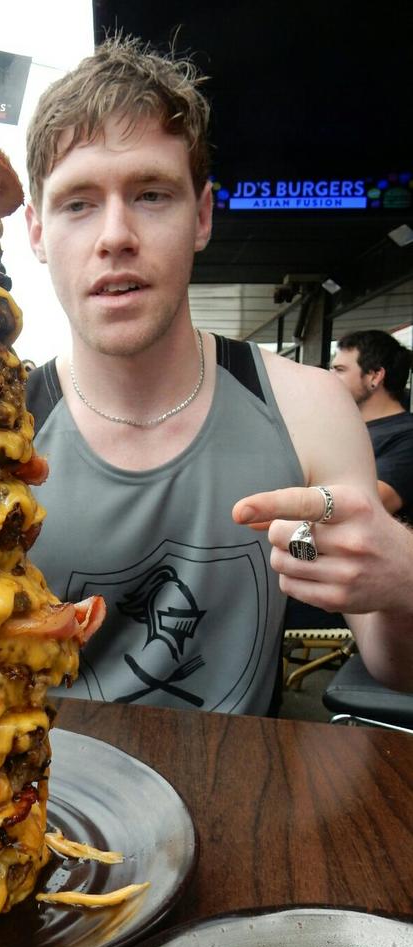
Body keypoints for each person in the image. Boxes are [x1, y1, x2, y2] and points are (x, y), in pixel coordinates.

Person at [23, 36, 413, 713]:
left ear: (201, 215)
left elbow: (396, 667)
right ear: (35, 232)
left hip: (240, 804)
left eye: (151, 193)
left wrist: (405, 582)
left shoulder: (310, 409)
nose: (115, 235)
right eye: (77, 203)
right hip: (46, 806)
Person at [331, 329, 413, 522]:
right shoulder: (346, 429)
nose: (330, 377)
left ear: (375, 376)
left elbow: (362, 508)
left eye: (340, 370)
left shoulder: (407, 437)